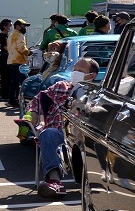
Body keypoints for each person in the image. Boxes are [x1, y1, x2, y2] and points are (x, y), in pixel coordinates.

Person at [32, 55, 99, 198]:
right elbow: (37, 100)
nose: (75, 72)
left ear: (92, 75)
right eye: (74, 69)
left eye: (80, 69)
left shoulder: (96, 94)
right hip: (59, 132)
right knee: (48, 133)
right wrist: (32, 113)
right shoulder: (61, 87)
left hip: (83, 136)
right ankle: (54, 181)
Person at [6, 19, 31, 107]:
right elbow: (22, 48)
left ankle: (12, 100)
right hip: (19, 62)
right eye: (23, 26)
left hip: (11, 61)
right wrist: (29, 52)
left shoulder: (10, 35)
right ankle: (25, 100)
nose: (25, 28)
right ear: (17, 26)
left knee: (14, 82)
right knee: (24, 81)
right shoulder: (20, 35)